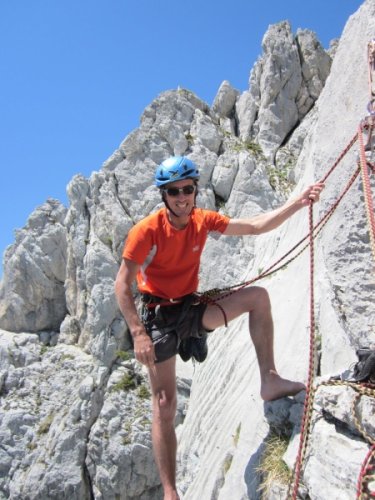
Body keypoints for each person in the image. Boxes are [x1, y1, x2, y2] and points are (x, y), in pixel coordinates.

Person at [115, 155, 324, 500]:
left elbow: (254, 226)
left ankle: (269, 379)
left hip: (191, 307)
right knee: (164, 403)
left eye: (187, 189)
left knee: (257, 297)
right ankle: (170, 491)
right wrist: (138, 333)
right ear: (164, 196)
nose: (182, 197)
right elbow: (122, 285)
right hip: (160, 318)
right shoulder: (147, 231)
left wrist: (297, 203)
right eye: (173, 191)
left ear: (196, 190)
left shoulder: (203, 220)